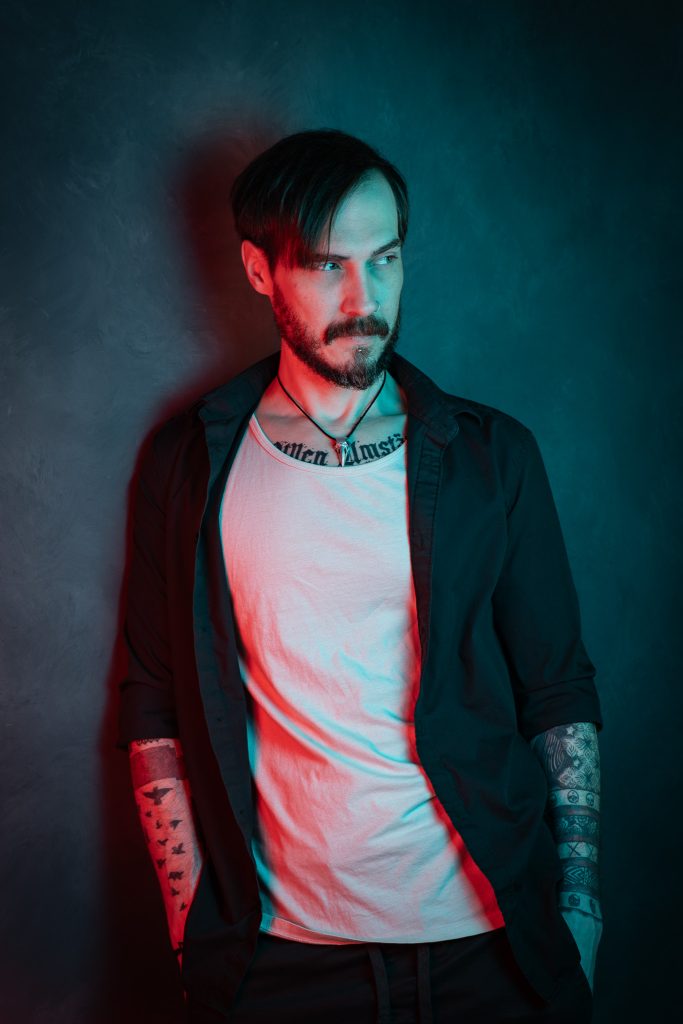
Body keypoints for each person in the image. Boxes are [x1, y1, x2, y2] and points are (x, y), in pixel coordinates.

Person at [117, 128, 603, 1023]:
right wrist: (189, 923)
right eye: (326, 266)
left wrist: (576, 899)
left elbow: (557, 686)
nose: (363, 298)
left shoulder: (490, 458)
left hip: (491, 949)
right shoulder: (190, 464)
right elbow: (154, 700)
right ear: (260, 271)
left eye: (384, 260)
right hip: (282, 962)